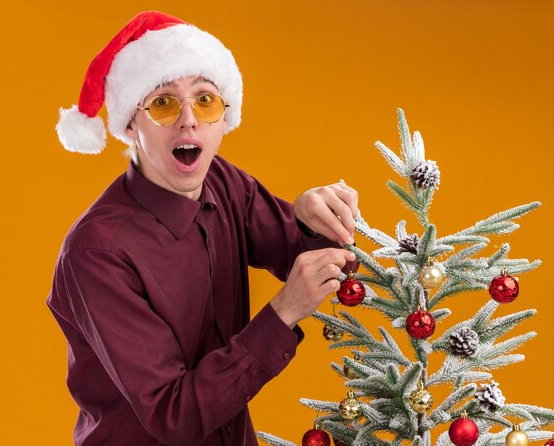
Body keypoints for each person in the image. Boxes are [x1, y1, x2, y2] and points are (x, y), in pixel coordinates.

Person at [47, 11, 359, 446]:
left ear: (223, 118)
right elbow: (173, 416)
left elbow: (306, 257)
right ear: (131, 124)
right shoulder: (96, 253)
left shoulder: (224, 184)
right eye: (163, 102)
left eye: (206, 100)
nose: (188, 119)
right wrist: (283, 312)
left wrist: (310, 219)